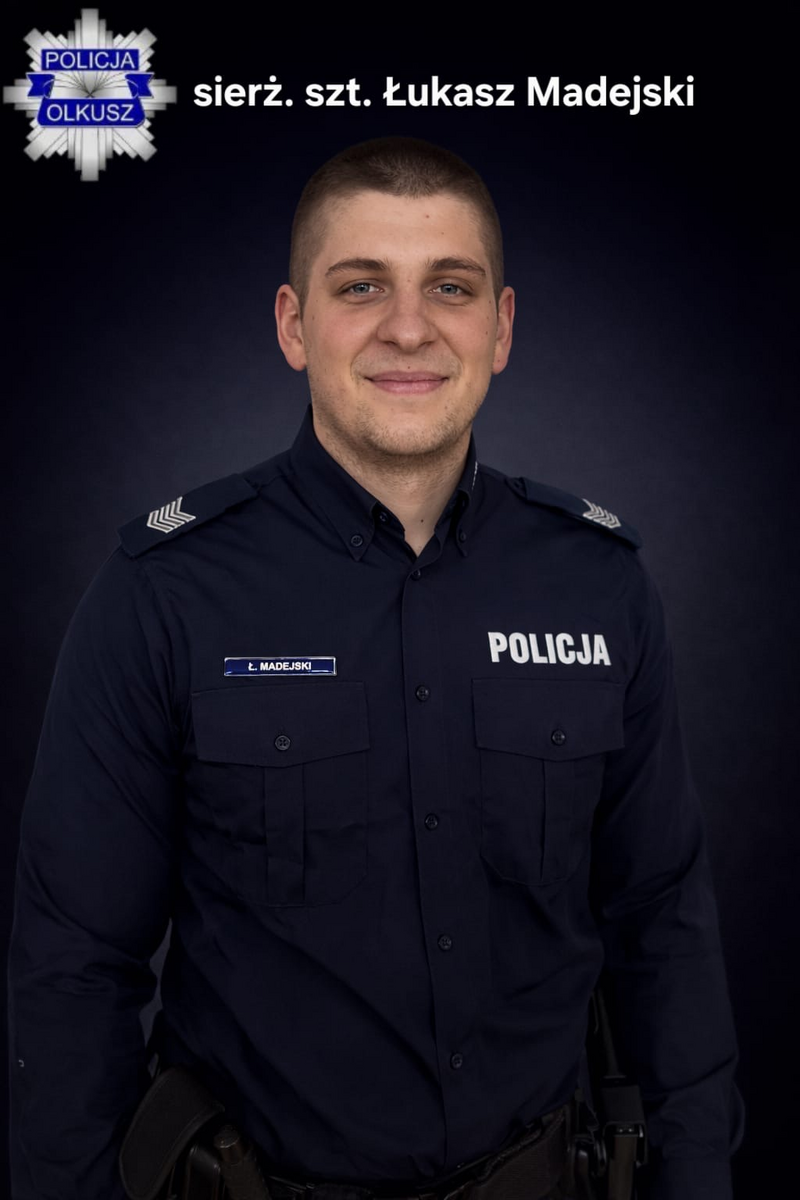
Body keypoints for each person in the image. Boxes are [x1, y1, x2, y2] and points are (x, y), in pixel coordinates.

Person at [7, 137, 744, 1200]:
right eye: (360, 287)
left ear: (500, 328)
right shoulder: (162, 593)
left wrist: (697, 1176)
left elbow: (660, 918)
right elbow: (75, 966)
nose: (408, 327)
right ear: (292, 325)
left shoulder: (599, 584)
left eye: (450, 287)